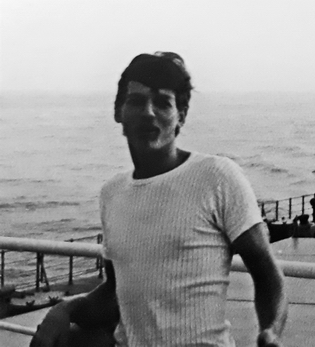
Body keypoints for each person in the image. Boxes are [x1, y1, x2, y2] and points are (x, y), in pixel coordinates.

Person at [31, 52, 288, 347]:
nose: (149, 113)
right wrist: (65, 309)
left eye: (163, 103)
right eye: (136, 101)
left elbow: (267, 273)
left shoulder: (217, 177)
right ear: (118, 112)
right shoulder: (112, 193)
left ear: (181, 116)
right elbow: (116, 293)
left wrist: (271, 330)